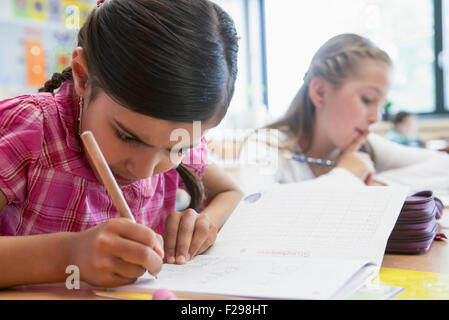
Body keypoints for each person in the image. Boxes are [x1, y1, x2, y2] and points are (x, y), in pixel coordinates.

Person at [0, 0, 243, 288]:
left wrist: (204, 223)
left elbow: (232, 192)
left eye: (177, 149)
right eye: (127, 136)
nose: (143, 170)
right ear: (82, 76)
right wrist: (69, 255)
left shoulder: (170, 135)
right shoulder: (32, 128)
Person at [238, 33, 445, 192]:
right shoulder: (265, 145)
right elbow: (255, 205)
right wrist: (346, 177)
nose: (376, 118)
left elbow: (444, 166)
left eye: (381, 105)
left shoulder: (367, 146)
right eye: (367, 99)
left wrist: (379, 186)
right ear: (320, 92)